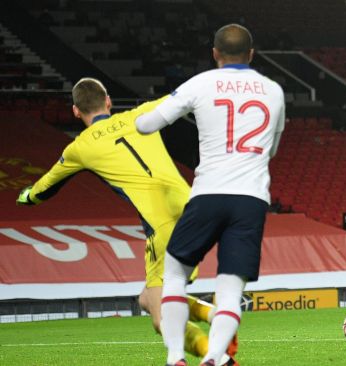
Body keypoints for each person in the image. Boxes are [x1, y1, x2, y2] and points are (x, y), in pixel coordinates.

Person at [15, 78, 233, 362]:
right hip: (196, 211)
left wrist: (25, 196)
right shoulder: (142, 114)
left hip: (163, 224)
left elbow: (43, 190)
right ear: (108, 102)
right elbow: (184, 97)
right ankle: (213, 314)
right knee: (146, 299)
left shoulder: (79, 148)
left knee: (160, 318)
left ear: (75, 112)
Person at [135, 24, 285, 366]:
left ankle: (175, 358)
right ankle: (213, 358)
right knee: (230, 289)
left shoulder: (201, 83)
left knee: (173, 276)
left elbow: (146, 125)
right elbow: (272, 148)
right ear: (251, 54)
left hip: (207, 194)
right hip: (250, 199)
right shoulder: (273, 90)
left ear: (215, 53)